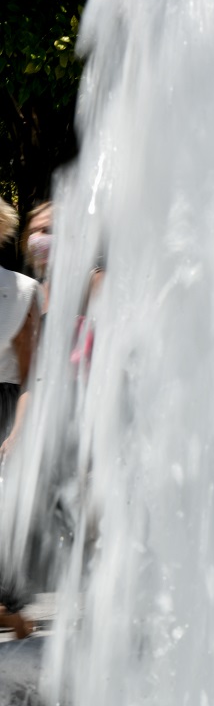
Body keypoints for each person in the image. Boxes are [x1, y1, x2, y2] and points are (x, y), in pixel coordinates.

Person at [0, 199, 40, 638]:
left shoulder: (23, 292)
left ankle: (12, 610)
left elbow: (30, 375)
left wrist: (17, 431)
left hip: (6, 405)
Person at [22, 202, 52, 312]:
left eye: (46, 230)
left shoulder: (95, 283)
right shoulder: (34, 290)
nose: (36, 239)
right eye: (32, 232)